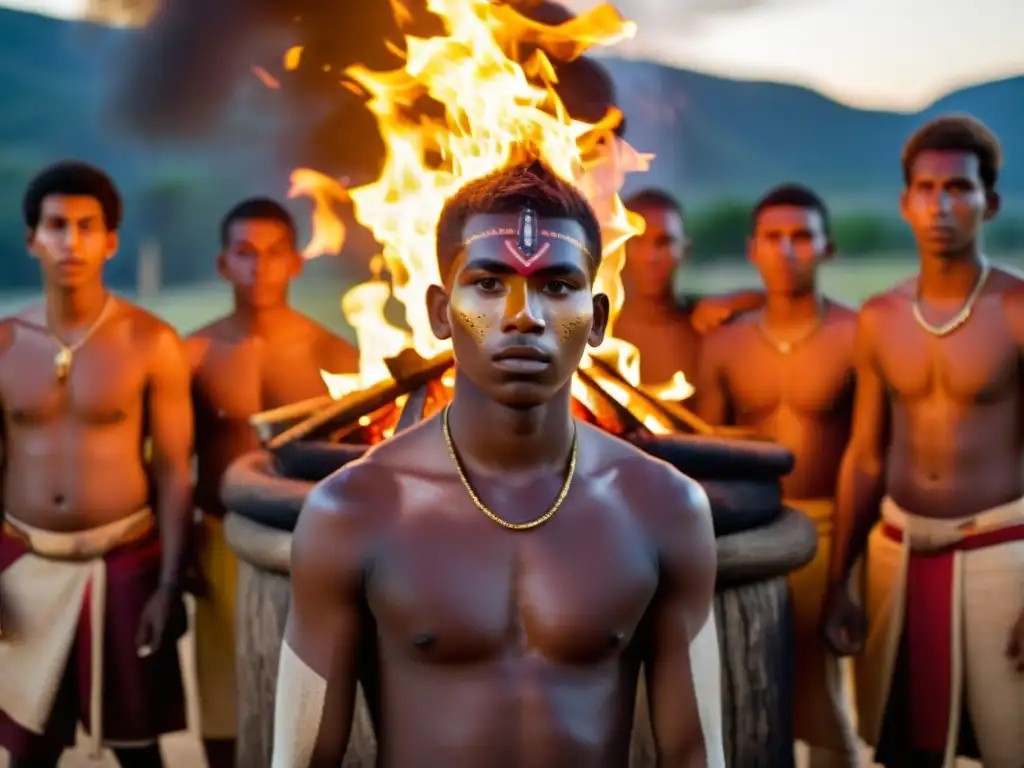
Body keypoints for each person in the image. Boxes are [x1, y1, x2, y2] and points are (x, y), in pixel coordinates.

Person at [271, 158, 724, 767]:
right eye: (488, 283)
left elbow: (698, 755)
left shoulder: (663, 506)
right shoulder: (352, 510)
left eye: (556, 287)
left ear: (596, 320)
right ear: (437, 312)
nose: (523, 316)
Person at [822, 115, 1024, 768]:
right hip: (895, 554)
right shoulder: (879, 317)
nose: (941, 205)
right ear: (906, 202)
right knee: (899, 746)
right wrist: (838, 583)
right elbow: (864, 456)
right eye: (927, 189)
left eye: (959, 189)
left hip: (1002, 554)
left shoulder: (1018, 308)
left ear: (988, 203)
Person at [0, 160, 192, 768]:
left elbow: (174, 472)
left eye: (87, 226)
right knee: (30, 748)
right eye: (56, 226)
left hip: (127, 560)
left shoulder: (150, 342)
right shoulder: (4, 343)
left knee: (140, 749)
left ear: (111, 239)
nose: (71, 241)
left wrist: (169, 584)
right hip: (25, 564)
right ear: (32, 238)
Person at [184, 197, 358, 767]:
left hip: (309, 547)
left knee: (310, 696)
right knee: (223, 697)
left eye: (274, 252)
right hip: (221, 540)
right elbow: (169, 459)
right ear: (223, 264)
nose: (260, 266)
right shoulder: (194, 353)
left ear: (296, 262)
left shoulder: (336, 356)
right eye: (245, 253)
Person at [696, 184, 859, 767]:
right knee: (749, 678)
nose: (788, 251)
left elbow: (868, 454)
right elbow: (706, 454)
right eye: (774, 238)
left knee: (824, 693)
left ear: (827, 248)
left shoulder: (856, 333)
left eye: (801, 237)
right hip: (751, 531)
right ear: (753, 249)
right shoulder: (723, 343)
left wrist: (844, 571)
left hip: (828, 525)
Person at [613, 188, 764, 389]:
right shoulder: (598, 330)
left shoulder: (701, 322)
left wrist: (730, 303)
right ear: (616, 248)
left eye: (664, 242)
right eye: (637, 242)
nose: (651, 257)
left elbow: (788, 303)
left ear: (685, 251)